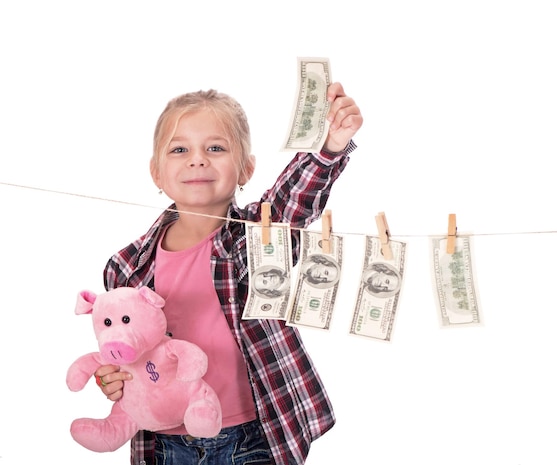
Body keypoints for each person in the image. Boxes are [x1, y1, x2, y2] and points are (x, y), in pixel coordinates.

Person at [92, 81, 363, 465]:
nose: (197, 159)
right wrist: (113, 379)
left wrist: (329, 148)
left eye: (215, 148)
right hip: (166, 444)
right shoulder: (127, 267)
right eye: (179, 149)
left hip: (252, 436)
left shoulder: (257, 237)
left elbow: (291, 202)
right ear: (156, 172)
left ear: (246, 168)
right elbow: (126, 352)